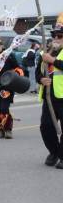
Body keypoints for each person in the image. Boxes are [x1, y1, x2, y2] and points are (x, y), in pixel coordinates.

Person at [37, 17, 63, 167]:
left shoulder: (50, 56)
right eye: (54, 35)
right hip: (49, 97)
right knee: (46, 126)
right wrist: (41, 80)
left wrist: (53, 61)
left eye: (60, 36)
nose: (56, 39)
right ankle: (54, 152)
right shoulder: (47, 52)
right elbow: (37, 72)